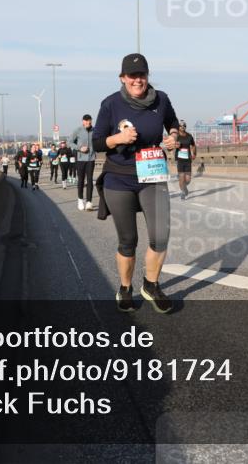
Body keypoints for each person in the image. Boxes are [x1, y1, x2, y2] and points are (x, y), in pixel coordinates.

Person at [93, 53, 179, 314]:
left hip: (152, 175)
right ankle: (125, 288)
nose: (137, 80)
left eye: (142, 75)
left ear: (147, 76)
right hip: (119, 178)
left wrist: (174, 137)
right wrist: (118, 138)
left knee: (161, 236)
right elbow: (97, 142)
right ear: (123, 78)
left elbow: (173, 124)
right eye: (132, 76)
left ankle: (151, 285)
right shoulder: (110, 104)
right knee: (128, 240)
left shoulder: (161, 99)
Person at [70, 114, 96, 211]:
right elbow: (70, 142)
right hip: (80, 159)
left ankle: (89, 202)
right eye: (86, 120)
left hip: (91, 159)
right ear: (83, 121)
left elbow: (98, 141)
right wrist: (80, 148)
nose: (88, 122)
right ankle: (80, 200)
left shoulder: (95, 130)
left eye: (90, 120)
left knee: (90, 180)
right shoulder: (78, 130)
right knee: (81, 180)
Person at [175, 120, 196, 199]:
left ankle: (184, 187)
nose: (182, 127)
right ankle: (183, 192)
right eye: (181, 126)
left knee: (188, 180)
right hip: (180, 160)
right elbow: (171, 146)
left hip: (187, 160)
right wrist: (175, 145)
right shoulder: (176, 136)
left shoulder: (189, 136)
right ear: (178, 127)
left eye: (184, 126)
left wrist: (194, 154)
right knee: (181, 177)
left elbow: (193, 145)